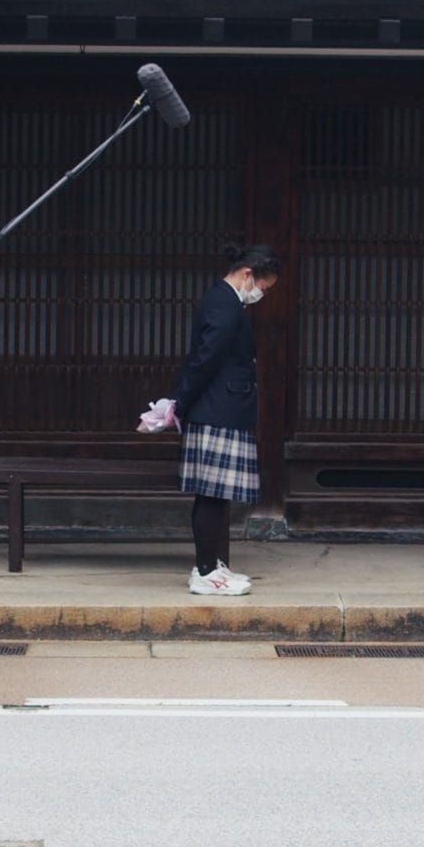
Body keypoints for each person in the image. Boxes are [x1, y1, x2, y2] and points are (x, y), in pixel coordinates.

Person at [172, 244, 280, 596]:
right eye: (263, 287)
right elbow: (205, 360)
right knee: (211, 495)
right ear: (248, 274)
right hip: (217, 409)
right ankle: (205, 572)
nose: (261, 294)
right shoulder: (225, 303)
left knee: (215, 495)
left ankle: (210, 565)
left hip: (218, 407)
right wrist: (180, 403)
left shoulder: (224, 301)